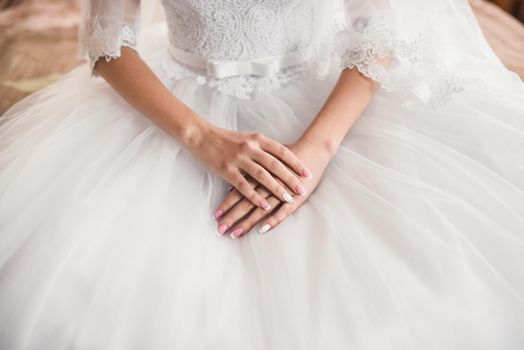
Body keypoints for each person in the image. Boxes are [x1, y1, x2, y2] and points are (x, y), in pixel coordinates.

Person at [1, 0, 523, 349]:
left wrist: (315, 151)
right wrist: (199, 136)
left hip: (327, 102)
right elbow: (109, 42)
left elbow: (376, 37)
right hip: (181, 104)